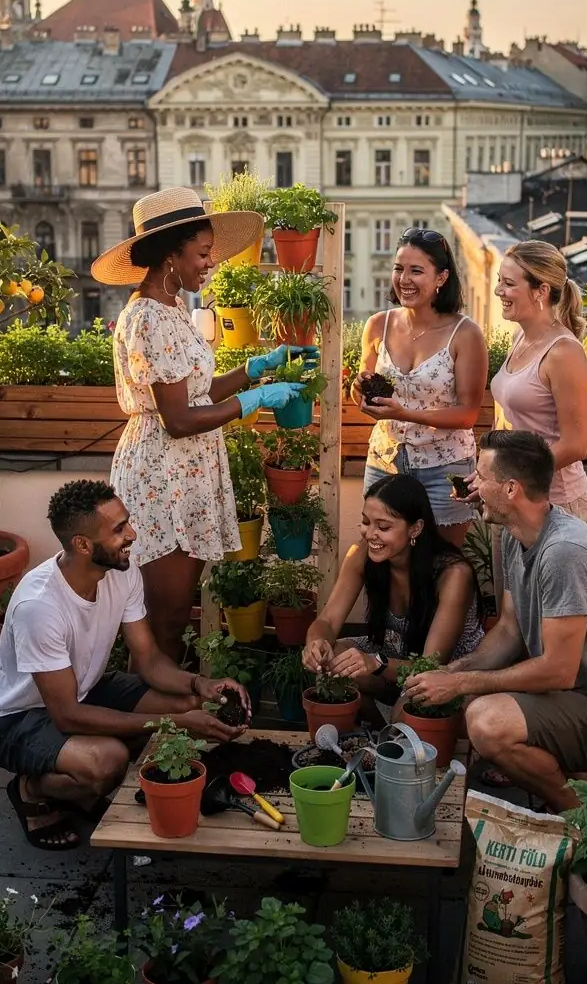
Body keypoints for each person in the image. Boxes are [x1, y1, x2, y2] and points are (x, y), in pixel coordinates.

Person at [0, 480, 251, 851]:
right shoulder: (40, 607)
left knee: (188, 702)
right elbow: (67, 715)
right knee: (108, 761)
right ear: (83, 545)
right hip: (16, 717)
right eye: (119, 529)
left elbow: (149, 659)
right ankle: (30, 789)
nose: (132, 534)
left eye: (127, 523)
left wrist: (201, 684)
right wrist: (175, 725)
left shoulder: (121, 573)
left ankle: (84, 788)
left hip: (84, 689)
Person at [92, 188, 307, 659]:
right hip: (162, 473)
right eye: (203, 254)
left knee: (174, 613)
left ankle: (163, 717)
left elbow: (194, 394)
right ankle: (156, 722)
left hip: (183, 468)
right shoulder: (148, 317)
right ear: (171, 254)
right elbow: (179, 420)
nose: (211, 264)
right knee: (163, 620)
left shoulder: (174, 308)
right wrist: (254, 400)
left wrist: (253, 369)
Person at [403, 431, 587, 813]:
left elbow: (558, 671)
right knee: (466, 703)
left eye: (480, 476)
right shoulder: (514, 534)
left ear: (510, 489)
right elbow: (509, 630)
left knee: (487, 722)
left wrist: (459, 683)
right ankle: (577, 778)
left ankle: (586, 819)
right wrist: (452, 671)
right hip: (576, 697)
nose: (472, 484)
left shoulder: (564, 553)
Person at [351, 227, 487, 547]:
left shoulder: (465, 333)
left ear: (441, 278)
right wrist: (359, 391)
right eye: (399, 268)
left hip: (446, 470)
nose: (404, 279)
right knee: (381, 555)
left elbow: (468, 414)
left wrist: (406, 413)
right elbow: (361, 392)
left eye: (416, 270)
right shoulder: (377, 325)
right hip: (385, 460)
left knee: (442, 563)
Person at [302, 474, 483, 712]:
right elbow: (327, 620)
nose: (370, 534)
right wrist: (316, 645)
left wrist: (375, 663)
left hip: (442, 677)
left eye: (384, 526)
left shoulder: (453, 573)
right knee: (334, 661)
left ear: (415, 528)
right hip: (391, 660)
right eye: (366, 522)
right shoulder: (361, 554)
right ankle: (375, 734)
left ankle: (390, 734)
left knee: (414, 699)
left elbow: (432, 664)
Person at [490, 240, 587, 522]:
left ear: (541, 291)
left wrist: (509, 477)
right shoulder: (519, 337)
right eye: (500, 280)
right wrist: (488, 475)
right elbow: (506, 420)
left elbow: (575, 445)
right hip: (510, 497)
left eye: (509, 283)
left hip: (554, 505)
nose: (499, 290)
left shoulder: (564, 352)